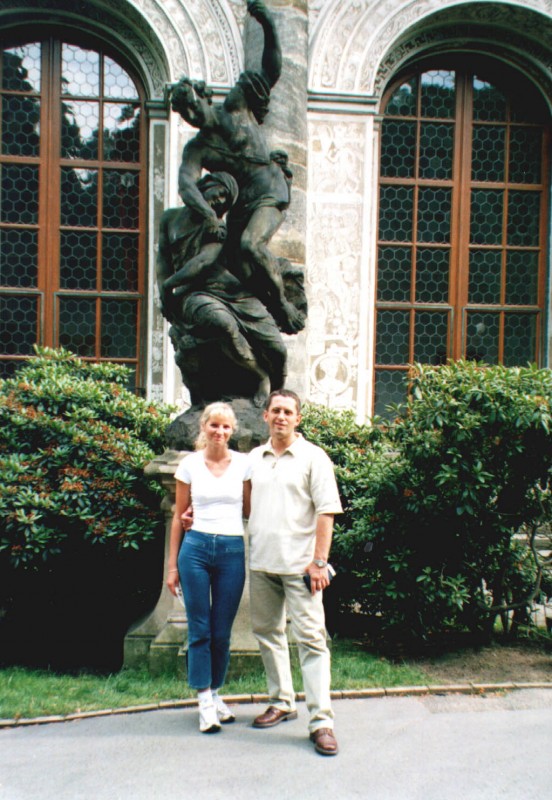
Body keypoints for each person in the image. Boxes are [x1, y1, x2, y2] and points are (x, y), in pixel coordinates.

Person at [169, 0, 304, 336]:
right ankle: (251, 321)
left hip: (269, 189)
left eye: (191, 104)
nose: (191, 114)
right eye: (184, 113)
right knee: (239, 267)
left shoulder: (237, 104)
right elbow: (186, 185)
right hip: (242, 204)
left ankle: (283, 305)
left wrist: (268, 24)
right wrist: (209, 216)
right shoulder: (198, 148)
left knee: (250, 246)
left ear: (204, 95)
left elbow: (271, 71)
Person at [247, 390, 343, 755]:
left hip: (302, 568)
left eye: (288, 412)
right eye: (276, 411)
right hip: (262, 563)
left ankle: (321, 723)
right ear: (266, 416)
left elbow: (326, 511)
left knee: (312, 641)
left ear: (298, 418)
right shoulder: (255, 458)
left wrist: (319, 561)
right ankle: (282, 701)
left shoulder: (314, 457)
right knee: (268, 633)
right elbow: (245, 503)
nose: (281, 417)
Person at [157, 171, 289, 407]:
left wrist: (169, 285)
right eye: (219, 194)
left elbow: (203, 261)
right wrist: (164, 293)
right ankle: (260, 376)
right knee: (222, 324)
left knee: (277, 349)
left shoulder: (217, 226)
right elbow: (163, 262)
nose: (219, 202)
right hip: (195, 294)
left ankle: (277, 401)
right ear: (206, 185)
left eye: (225, 201)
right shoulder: (170, 218)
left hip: (234, 293)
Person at [166, 402, 252, 733]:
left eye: (225, 426)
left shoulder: (243, 464)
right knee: (199, 628)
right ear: (204, 426)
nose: (219, 431)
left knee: (221, 631)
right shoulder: (189, 464)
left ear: (233, 430)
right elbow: (179, 516)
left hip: (231, 550)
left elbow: (250, 509)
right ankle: (203, 700)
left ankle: (215, 693)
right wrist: (172, 567)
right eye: (214, 425)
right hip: (196, 549)